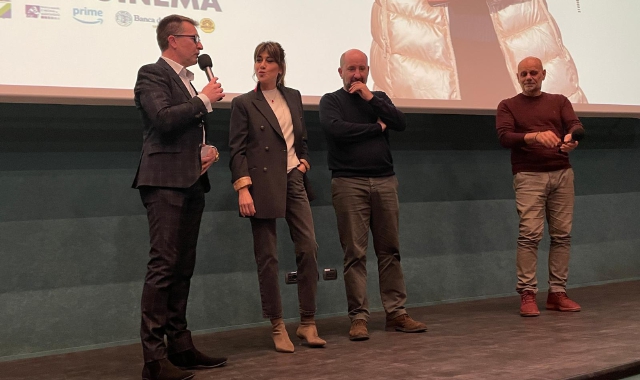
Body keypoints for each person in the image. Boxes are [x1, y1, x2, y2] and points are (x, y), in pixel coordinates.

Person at [132, 14, 226, 380]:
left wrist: (204, 149)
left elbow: (185, 130)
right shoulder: (152, 74)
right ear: (173, 40)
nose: (200, 45)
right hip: (164, 181)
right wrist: (204, 100)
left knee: (183, 267)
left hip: (191, 180)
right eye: (194, 38)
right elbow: (163, 120)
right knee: (163, 266)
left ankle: (181, 347)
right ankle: (154, 360)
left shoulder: (188, 80)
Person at [318, 49, 427, 341]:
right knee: (354, 253)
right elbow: (336, 130)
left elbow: (400, 122)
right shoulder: (331, 101)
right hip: (348, 183)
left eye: (362, 69)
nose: (357, 74)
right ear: (340, 71)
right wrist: (374, 128)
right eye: (351, 69)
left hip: (385, 181)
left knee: (390, 250)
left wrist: (370, 99)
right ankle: (359, 318)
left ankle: (396, 313)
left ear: (368, 71)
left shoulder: (377, 99)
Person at [228, 41, 325, 353]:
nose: (262, 65)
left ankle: (308, 322)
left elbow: (302, 138)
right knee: (268, 257)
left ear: (280, 68)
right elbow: (237, 149)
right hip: (261, 184)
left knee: (308, 247)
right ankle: (277, 324)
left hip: (293, 179)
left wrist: (304, 162)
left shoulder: (293, 96)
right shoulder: (244, 103)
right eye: (258, 59)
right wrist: (243, 187)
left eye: (269, 61)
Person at [496, 56, 584, 317]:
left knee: (562, 236)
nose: (528, 78)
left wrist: (572, 139)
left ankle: (557, 293)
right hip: (528, 176)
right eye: (523, 74)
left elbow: (576, 126)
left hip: (562, 174)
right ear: (518, 77)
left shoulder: (559, 101)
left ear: (543, 74)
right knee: (530, 235)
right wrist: (534, 136)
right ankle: (527, 293)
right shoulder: (508, 105)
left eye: (533, 72)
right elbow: (504, 137)